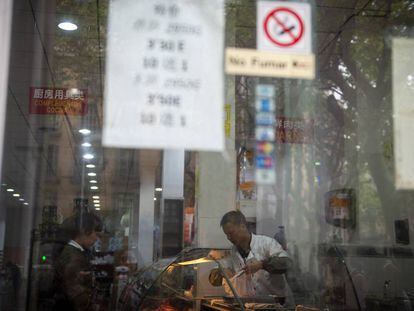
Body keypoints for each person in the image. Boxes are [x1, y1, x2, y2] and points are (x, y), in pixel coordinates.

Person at [216, 211, 292, 303]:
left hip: (278, 305)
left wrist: (262, 265)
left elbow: (287, 263)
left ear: (242, 226)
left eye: (231, 233)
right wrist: (220, 272)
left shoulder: (266, 243)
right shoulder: (232, 252)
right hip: (251, 306)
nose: (229, 238)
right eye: (226, 235)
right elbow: (214, 279)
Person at [53, 212, 103, 311]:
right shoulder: (74, 255)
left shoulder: (76, 251)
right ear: (84, 231)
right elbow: (75, 293)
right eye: (95, 233)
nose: (96, 238)